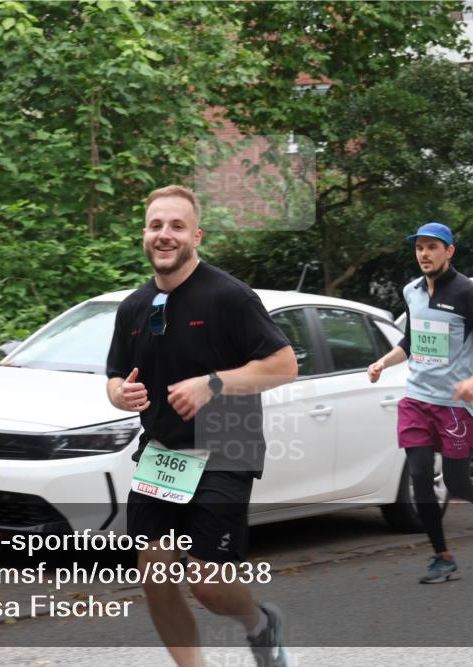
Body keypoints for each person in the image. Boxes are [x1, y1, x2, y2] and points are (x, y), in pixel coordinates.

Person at [105, 185, 298, 666]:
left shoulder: (229, 297)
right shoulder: (133, 307)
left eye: (176, 226)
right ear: (144, 235)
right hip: (163, 450)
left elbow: (284, 365)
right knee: (154, 571)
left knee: (208, 582)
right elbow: (114, 376)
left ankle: (259, 624)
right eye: (155, 226)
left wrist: (213, 384)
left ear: (196, 235)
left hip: (226, 441)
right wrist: (119, 394)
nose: (164, 235)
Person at [367, 222, 473, 584]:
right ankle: (442, 556)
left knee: (457, 482)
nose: (424, 254)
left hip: (453, 405)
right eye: (419, 248)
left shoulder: (468, 294)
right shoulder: (412, 291)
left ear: (449, 251)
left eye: (432, 247)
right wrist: (384, 362)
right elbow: (411, 341)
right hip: (416, 399)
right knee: (419, 476)